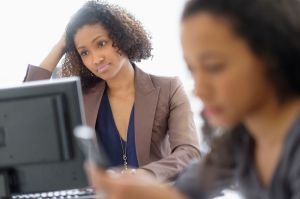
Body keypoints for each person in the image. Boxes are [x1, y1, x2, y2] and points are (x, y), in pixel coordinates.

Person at [83, 0, 300, 198]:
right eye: (192, 70)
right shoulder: (242, 139)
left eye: (214, 67)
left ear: (273, 54)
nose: (199, 91)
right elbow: (189, 188)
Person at [23, 0, 200, 181]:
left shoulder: (168, 89)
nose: (96, 59)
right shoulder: (80, 97)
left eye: (101, 44)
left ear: (121, 37)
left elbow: (189, 152)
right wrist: (60, 45)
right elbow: (27, 106)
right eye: (84, 52)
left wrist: (145, 174)